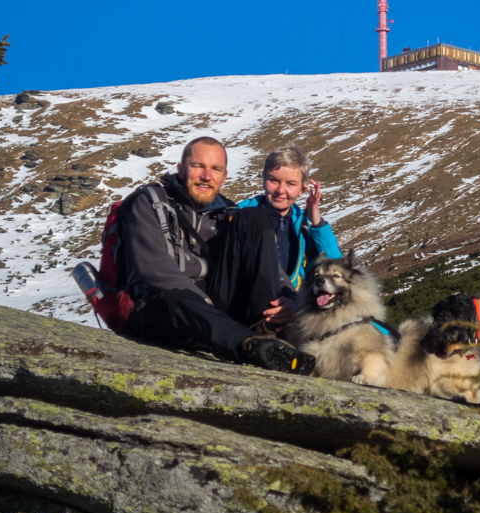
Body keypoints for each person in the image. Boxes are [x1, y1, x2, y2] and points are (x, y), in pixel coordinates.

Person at [121, 136, 314, 374]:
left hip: (213, 312)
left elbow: (268, 264)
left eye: (215, 169)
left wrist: (290, 299)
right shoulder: (150, 201)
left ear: (224, 177)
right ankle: (249, 346)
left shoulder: (227, 213)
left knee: (254, 218)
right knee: (175, 299)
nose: (206, 176)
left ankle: (266, 331)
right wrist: (204, 308)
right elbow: (153, 268)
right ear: (181, 169)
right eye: (198, 166)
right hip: (164, 310)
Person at [236, 143, 342, 289]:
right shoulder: (240, 214)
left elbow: (335, 265)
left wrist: (316, 221)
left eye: (290, 184)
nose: (280, 190)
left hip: (291, 304)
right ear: (264, 179)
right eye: (274, 180)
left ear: (302, 189)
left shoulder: (302, 225)